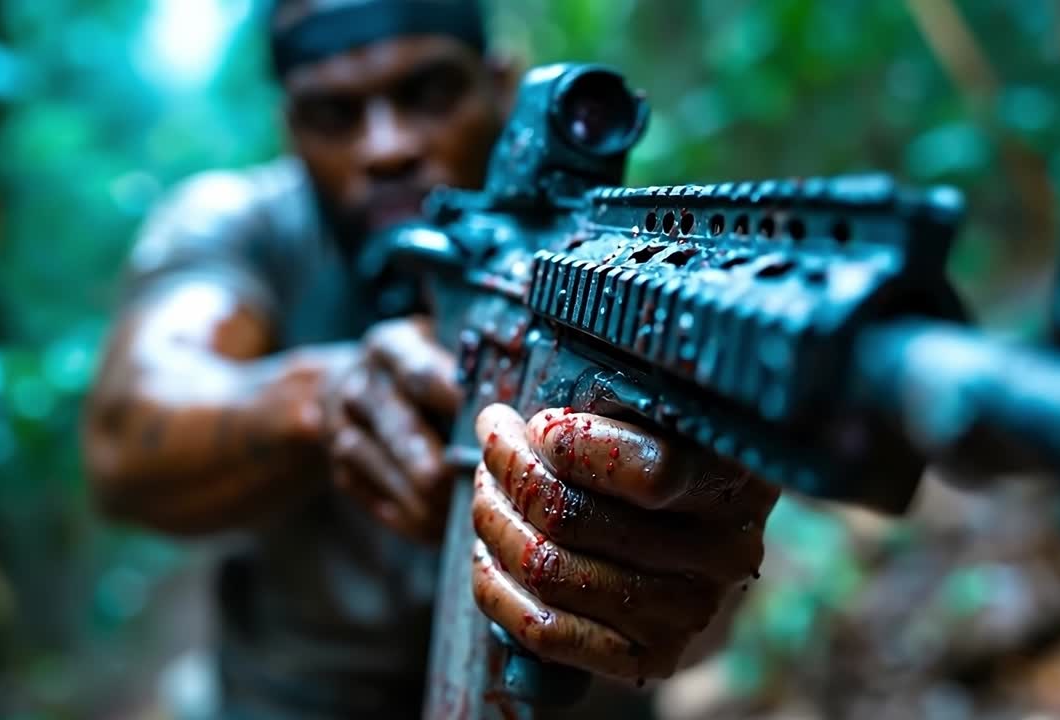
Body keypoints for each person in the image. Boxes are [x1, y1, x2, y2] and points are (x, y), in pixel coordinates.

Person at [81, 0, 776, 717]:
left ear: (501, 87)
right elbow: (128, 429)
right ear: (291, 126)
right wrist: (323, 401)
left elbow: (706, 617)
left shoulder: (609, 265)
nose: (385, 147)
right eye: (333, 113)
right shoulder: (243, 225)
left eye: (431, 92)